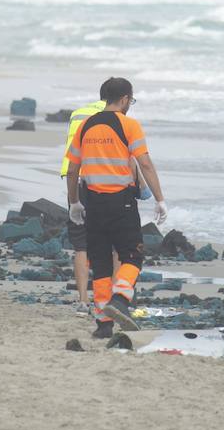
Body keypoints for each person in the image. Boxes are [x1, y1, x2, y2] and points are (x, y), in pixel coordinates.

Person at [64, 77, 167, 338]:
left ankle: (103, 325)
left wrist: (74, 202)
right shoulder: (128, 124)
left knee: (99, 264)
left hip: (92, 202)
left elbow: (74, 168)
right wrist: (159, 199)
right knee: (132, 256)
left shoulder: (85, 126)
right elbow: (144, 164)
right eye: (130, 100)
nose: (129, 104)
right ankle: (120, 299)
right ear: (123, 99)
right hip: (121, 202)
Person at [59, 97, 106, 307]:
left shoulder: (77, 113)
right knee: (111, 242)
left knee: (81, 245)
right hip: (102, 181)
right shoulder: (116, 115)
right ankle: (110, 299)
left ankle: (83, 300)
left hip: (74, 179)